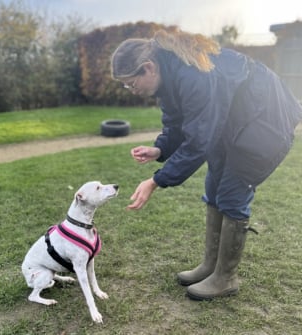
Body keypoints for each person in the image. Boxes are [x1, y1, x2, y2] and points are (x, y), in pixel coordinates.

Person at [110, 29, 302, 300]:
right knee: (213, 188)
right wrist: (160, 148)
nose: (132, 90)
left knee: (232, 194)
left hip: (265, 122)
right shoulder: (167, 78)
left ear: (148, 68)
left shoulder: (193, 74)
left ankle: (226, 278)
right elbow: (178, 124)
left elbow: (199, 141)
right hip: (232, 123)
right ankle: (211, 266)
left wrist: (156, 180)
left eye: (131, 83)